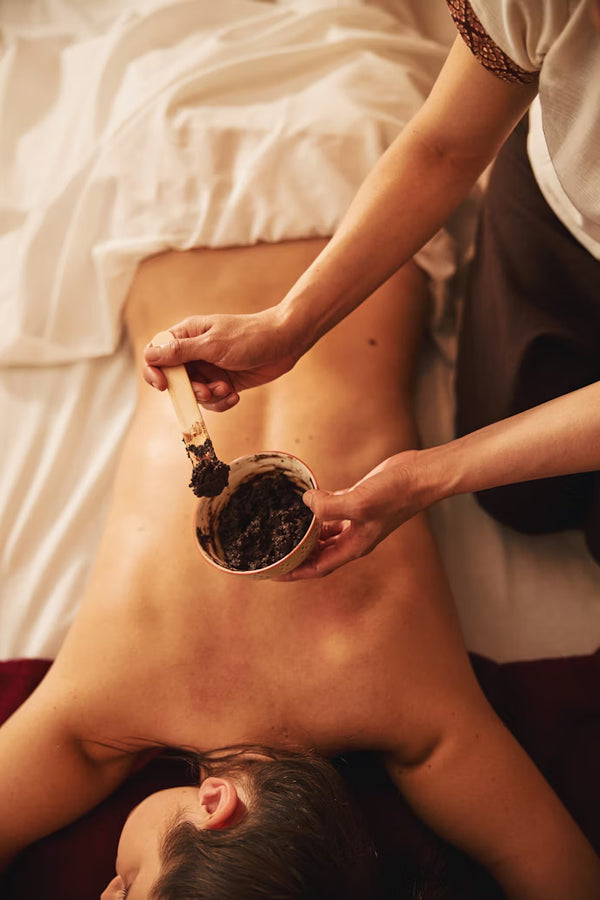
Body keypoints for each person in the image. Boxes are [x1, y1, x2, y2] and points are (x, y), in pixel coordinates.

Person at [1, 240, 598, 900]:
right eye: (131, 888)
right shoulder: (103, 704)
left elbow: (567, 877)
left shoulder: (417, 716)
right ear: (216, 805)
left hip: (375, 240)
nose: (104, 894)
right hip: (181, 227)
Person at [143, 0, 600, 579]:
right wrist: (288, 325)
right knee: (521, 500)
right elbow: (443, 147)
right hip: (557, 222)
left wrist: (428, 476)